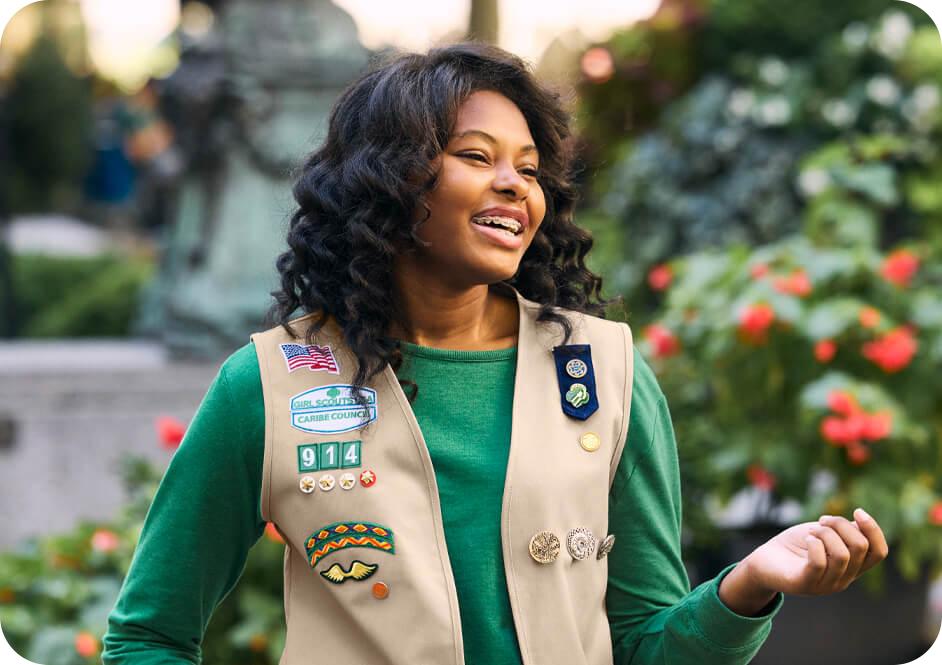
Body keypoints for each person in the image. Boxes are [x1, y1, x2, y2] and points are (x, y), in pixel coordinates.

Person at [102, 42, 888, 664]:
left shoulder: (604, 370)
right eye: (477, 156)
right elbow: (149, 636)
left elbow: (646, 642)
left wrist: (745, 587)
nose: (515, 185)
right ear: (389, 180)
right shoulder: (267, 385)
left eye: (529, 167)